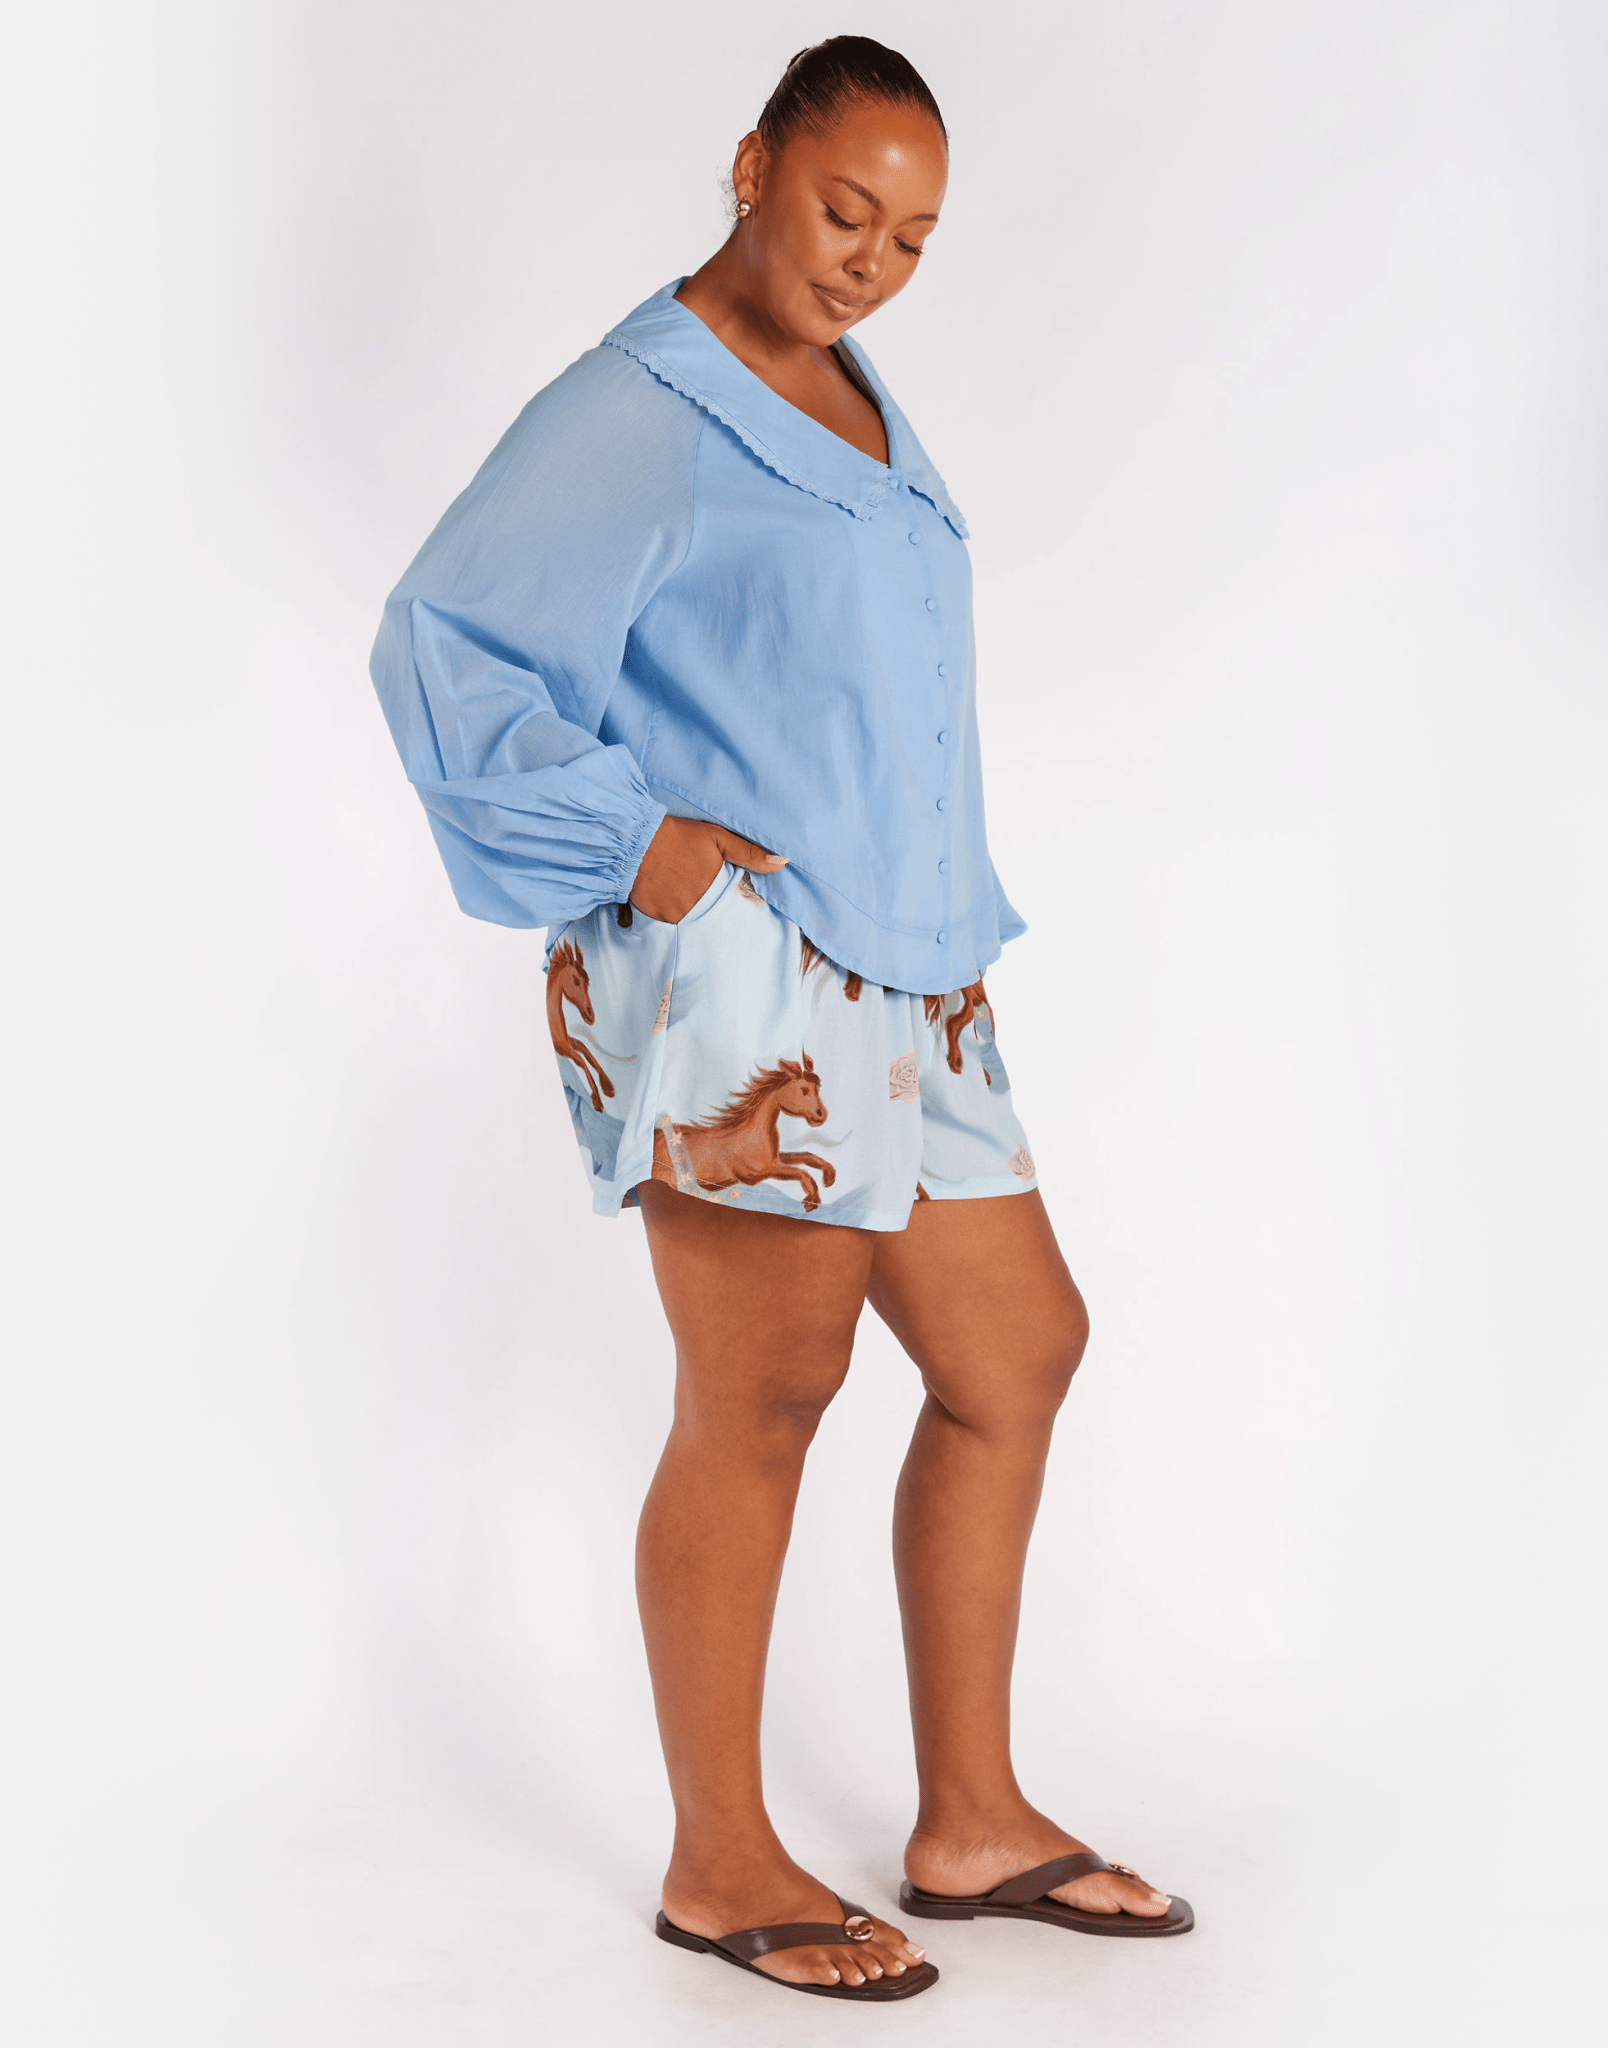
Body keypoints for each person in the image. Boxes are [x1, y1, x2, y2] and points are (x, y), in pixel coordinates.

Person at [370, 34, 1191, 2007]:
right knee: (765, 1393)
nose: (871, 263)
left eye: (910, 239)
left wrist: (937, 913)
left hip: (914, 964)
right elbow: (440, 640)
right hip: (750, 962)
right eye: (844, 212)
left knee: (1016, 1350)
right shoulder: (637, 407)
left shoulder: (846, 387)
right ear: (751, 165)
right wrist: (636, 843)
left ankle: (969, 1818)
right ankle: (719, 1859)